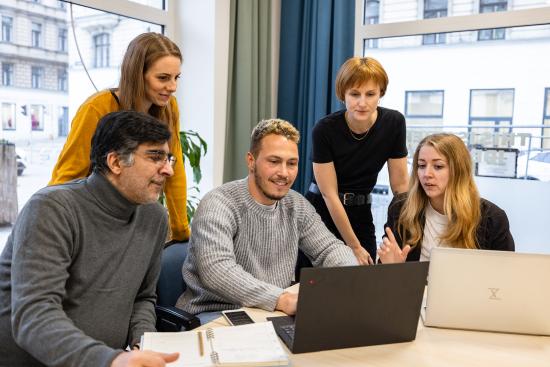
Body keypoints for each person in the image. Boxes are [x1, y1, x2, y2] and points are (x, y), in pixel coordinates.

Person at [0, 111, 180, 367]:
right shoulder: (51, 209)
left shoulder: (155, 217)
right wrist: (111, 359)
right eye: (155, 157)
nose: (169, 170)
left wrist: (142, 344)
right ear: (115, 162)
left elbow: (143, 297)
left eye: (168, 158)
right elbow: (35, 316)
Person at [176, 119, 359, 323]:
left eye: (291, 163)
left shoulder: (296, 204)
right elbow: (217, 270)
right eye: (274, 161)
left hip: (269, 312)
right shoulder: (219, 203)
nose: (284, 173)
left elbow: (329, 248)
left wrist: (350, 279)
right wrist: (280, 299)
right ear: (251, 161)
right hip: (214, 313)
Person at [49, 32, 189, 242]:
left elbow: (174, 169)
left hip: (134, 215)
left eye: (176, 77)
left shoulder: (169, 108)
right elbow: (66, 177)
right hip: (91, 217)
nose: (172, 87)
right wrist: (51, 226)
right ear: (137, 74)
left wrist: (181, 234)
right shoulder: (96, 108)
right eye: (163, 78)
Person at [305, 56, 409, 266]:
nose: (362, 103)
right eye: (354, 94)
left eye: (370, 94)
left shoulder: (394, 123)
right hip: (322, 211)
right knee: (315, 285)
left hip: (361, 211)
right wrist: (354, 247)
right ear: (343, 95)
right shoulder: (324, 129)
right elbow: (329, 194)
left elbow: (401, 187)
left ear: (381, 93)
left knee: (364, 280)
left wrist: (401, 232)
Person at [378, 133, 515, 264]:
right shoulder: (402, 207)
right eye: (421, 165)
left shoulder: (492, 218)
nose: (427, 174)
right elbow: (386, 271)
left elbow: (503, 278)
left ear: (459, 171)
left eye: (438, 166)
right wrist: (393, 267)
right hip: (413, 288)